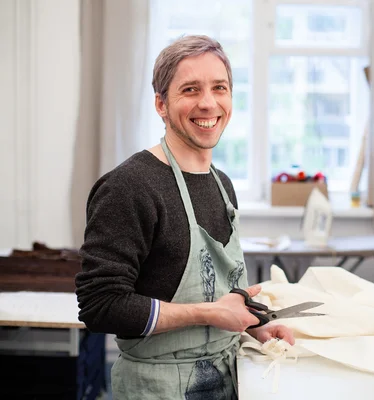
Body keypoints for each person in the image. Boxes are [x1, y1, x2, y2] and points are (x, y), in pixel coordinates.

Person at [75, 35, 294, 400]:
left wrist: (254, 327)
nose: (208, 103)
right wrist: (209, 314)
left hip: (230, 377)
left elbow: (224, 299)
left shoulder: (221, 185)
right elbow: (100, 307)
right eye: (190, 90)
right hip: (157, 389)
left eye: (219, 88)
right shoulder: (129, 187)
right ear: (161, 104)